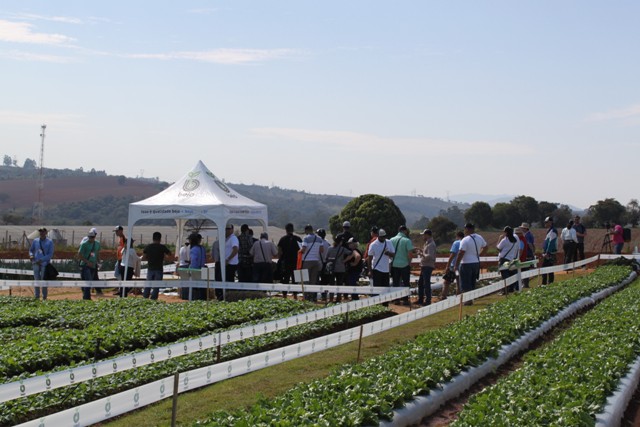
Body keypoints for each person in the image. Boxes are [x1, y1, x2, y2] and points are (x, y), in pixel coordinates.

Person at [454, 223, 487, 302]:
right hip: (476, 262)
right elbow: (486, 247)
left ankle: (467, 301)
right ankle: (471, 298)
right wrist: (479, 255)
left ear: (467, 229)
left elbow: (461, 252)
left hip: (466, 263)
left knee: (465, 283)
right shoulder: (479, 237)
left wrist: (456, 264)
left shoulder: (465, 240)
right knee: (472, 282)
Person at [390, 225, 416, 304]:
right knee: (405, 283)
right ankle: (405, 300)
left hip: (394, 264)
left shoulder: (391, 240)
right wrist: (409, 263)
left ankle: (396, 299)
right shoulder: (407, 240)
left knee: (395, 283)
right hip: (404, 264)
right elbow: (410, 253)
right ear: (405, 231)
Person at [142, 231, 171, 300]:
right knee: (156, 285)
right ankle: (153, 298)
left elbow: (144, 257)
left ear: (153, 238)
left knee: (148, 284)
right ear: (160, 239)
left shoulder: (148, 247)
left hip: (150, 268)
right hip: (159, 269)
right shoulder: (162, 247)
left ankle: (145, 297)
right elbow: (169, 254)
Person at [277, 223, 302, 299]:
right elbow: (302, 250)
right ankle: (295, 296)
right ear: (293, 229)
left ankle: (284, 296)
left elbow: (279, 252)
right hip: (296, 263)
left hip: (286, 262)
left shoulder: (282, 239)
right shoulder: (298, 239)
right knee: (296, 280)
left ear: (286, 230)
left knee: (286, 279)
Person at [300, 225, 325, 301]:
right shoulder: (319, 238)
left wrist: (299, 250)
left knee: (305, 279)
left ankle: (306, 297)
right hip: (316, 261)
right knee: (313, 280)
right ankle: (312, 297)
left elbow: (303, 249)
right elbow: (321, 250)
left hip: (307, 261)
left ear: (306, 230)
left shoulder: (306, 238)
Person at [325, 235, 353, 302]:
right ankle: (338, 298)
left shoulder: (330, 248)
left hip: (332, 269)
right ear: (340, 242)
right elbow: (351, 253)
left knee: (331, 284)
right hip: (341, 268)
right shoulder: (342, 249)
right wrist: (345, 260)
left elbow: (326, 258)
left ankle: (331, 299)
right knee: (339, 284)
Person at [29, 227, 54, 300]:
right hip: (35, 263)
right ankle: (36, 297)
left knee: (43, 280)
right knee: (36, 280)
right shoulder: (35, 241)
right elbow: (31, 250)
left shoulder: (50, 242)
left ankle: (44, 297)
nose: (41, 233)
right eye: (40, 232)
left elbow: (50, 254)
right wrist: (31, 255)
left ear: (46, 233)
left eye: (43, 232)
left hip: (44, 264)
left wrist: (41, 260)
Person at [78, 229, 101, 300]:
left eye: (93, 237)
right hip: (85, 265)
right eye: (90, 237)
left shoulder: (97, 244)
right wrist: (87, 262)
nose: (91, 238)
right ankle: (86, 297)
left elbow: (97, 253)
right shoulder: (84, 244)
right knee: (88, 280)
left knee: (89, 281)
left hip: (93, 266)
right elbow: (79, 255)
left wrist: (99, 262)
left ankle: (86, 295)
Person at [497, 226, 520, 292]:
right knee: (511, 274)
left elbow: (498, 248)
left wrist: (499, 239)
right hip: (511, 259)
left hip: (504, 259)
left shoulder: (504, 240)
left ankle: (505, 290)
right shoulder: (514, 240)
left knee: (505, 275)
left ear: (506, 232)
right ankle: (511, 288)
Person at [417, 229, 436, 306]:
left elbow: (430, 256)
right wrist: (421, 251)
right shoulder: (427, 243)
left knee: (426, 283)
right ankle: (421, 299)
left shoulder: (431, 244)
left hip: (427, 265)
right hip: (425, 265)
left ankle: (428, 300)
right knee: (421, 283)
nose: (423, 236)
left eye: (424, 235)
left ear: (427, 235)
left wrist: (422, 254)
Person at [442, 231, 464, 296]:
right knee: (458, 281)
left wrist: (447, 266)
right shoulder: (465, 242)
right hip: (462, 266)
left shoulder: (456, 243)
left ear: (457, 236)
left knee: (447, 281)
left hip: (454, 266)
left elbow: (452, 255)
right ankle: (458, 295)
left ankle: (443, 295)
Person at [187, 233, 208, 300]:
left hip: (195, 270)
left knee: (195, 288)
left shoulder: (193, 249)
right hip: (203, 269)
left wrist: (190, 269)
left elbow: (194, 260)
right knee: (203, 288)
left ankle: (195, 300)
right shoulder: (202, 248)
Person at [541, 216, 558, 285]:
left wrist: (547, 252)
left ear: (550, 222)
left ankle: (545, 284)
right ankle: (549, 283)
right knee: (549, 268)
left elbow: (551, 242)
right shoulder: (550, 230)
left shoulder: (553, 231)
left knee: (546, 268)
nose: (545, 223)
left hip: (549, 253)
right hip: (548, 253)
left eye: (546, 222)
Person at [520, 222, 536, 288]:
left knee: (525, 269)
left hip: (528, 254)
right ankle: (525, 283)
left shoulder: (527, 235)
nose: (522, 229)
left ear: (525, 229)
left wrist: (532, 253)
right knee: (525, 269)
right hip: (529, 254)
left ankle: (525, 284)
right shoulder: (529, 234)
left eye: (523, 228)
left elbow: (530, 244)